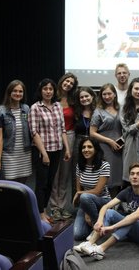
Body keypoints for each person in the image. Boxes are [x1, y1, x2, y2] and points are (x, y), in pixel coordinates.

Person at [75, 162, 139, 261]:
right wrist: (100, 221)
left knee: (131, 218)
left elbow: (137, 215)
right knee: (110, 212)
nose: (134, 176)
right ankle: (89, 243)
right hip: (132, 232)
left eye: (138, 174)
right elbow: (106, 206)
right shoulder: (128, 191)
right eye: (132, 174)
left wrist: (112, 227)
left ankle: (100, 249)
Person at [29, 78, 71, 223]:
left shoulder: (58, 106)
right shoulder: (35, 107)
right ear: (41, 91)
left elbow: (62, 129)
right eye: (45, 89)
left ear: (54, 91)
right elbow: (34, 132)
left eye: (50, 89)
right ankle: (39, 213)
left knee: (50, 182)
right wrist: (44, 153)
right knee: (41, 184)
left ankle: (45, 209)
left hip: (57, 150)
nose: (48, 91)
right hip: (43, 151)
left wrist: (67, 148)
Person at [49, 73, 78, 221]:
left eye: (72, 83)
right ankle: (54, 207)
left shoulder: (73, 101)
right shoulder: (52, 97)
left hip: (70, 136)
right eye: (67, 81)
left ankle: (62, 206)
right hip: (53, 137)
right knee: (55, 173)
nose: (69, 84)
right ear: (62, 81)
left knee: (65, 174)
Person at [72, 138, 111, 241]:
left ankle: (96, 226)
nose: (86, 150)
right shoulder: (79, 166)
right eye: (83, 147)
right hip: (86, 202)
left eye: (89, 147)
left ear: (96, 149)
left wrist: (80, 193)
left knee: (84, 196)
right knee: (77, 235)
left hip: (102, 200)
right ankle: (98, 222)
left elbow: (97, 191)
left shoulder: (104, 165)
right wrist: (86, 211)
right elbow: (79, 189)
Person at [90, 83, 123, 192]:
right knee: (107, 175)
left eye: (109, 93)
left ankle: (117, 202)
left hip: (120, 147)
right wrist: (109, 141)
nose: (107, 96)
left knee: (119, 174)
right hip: (104, 147)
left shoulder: (121, 109)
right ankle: (105, 202)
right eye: (104, 94)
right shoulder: (98, 111)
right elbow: (92, 133)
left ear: (114, 94)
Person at [0, 80, 32, 183]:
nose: (18, 94)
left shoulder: (26, 109)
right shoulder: (1, 110)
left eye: (20, 91)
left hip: (25, 152)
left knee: (23, 181)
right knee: (9, 182)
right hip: (8, 152)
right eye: (15, 91)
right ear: (9, 92)